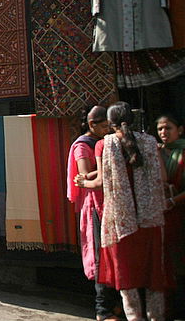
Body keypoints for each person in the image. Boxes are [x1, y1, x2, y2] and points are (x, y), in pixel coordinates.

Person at [81, 101, 171, 321]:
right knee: (153, 274)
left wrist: (83, 183)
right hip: (150, 220)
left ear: (111, 124)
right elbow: (163, 178)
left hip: (121, 222)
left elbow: (101, 182)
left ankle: (134, 318)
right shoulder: (150, 142)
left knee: (126, 276)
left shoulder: (104, 144)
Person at [69, 106, 121, 321]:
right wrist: (105, 170)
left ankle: (115, 305)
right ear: (92, 125)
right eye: (105, 126)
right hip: (94, 205)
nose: (108, 130)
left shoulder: (105, 142)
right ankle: (103, 310)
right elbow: (83, 176)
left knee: (113, 252)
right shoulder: (83, 145)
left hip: (109, 202)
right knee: (100, 255)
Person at [157, 113, 185, 318]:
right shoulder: (156, 153)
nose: (163, 133)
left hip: (180, 212)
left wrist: (173, 201)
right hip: (163, 215)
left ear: (180, 130)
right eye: (160, 129)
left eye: (168, 128)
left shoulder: (183, 153)